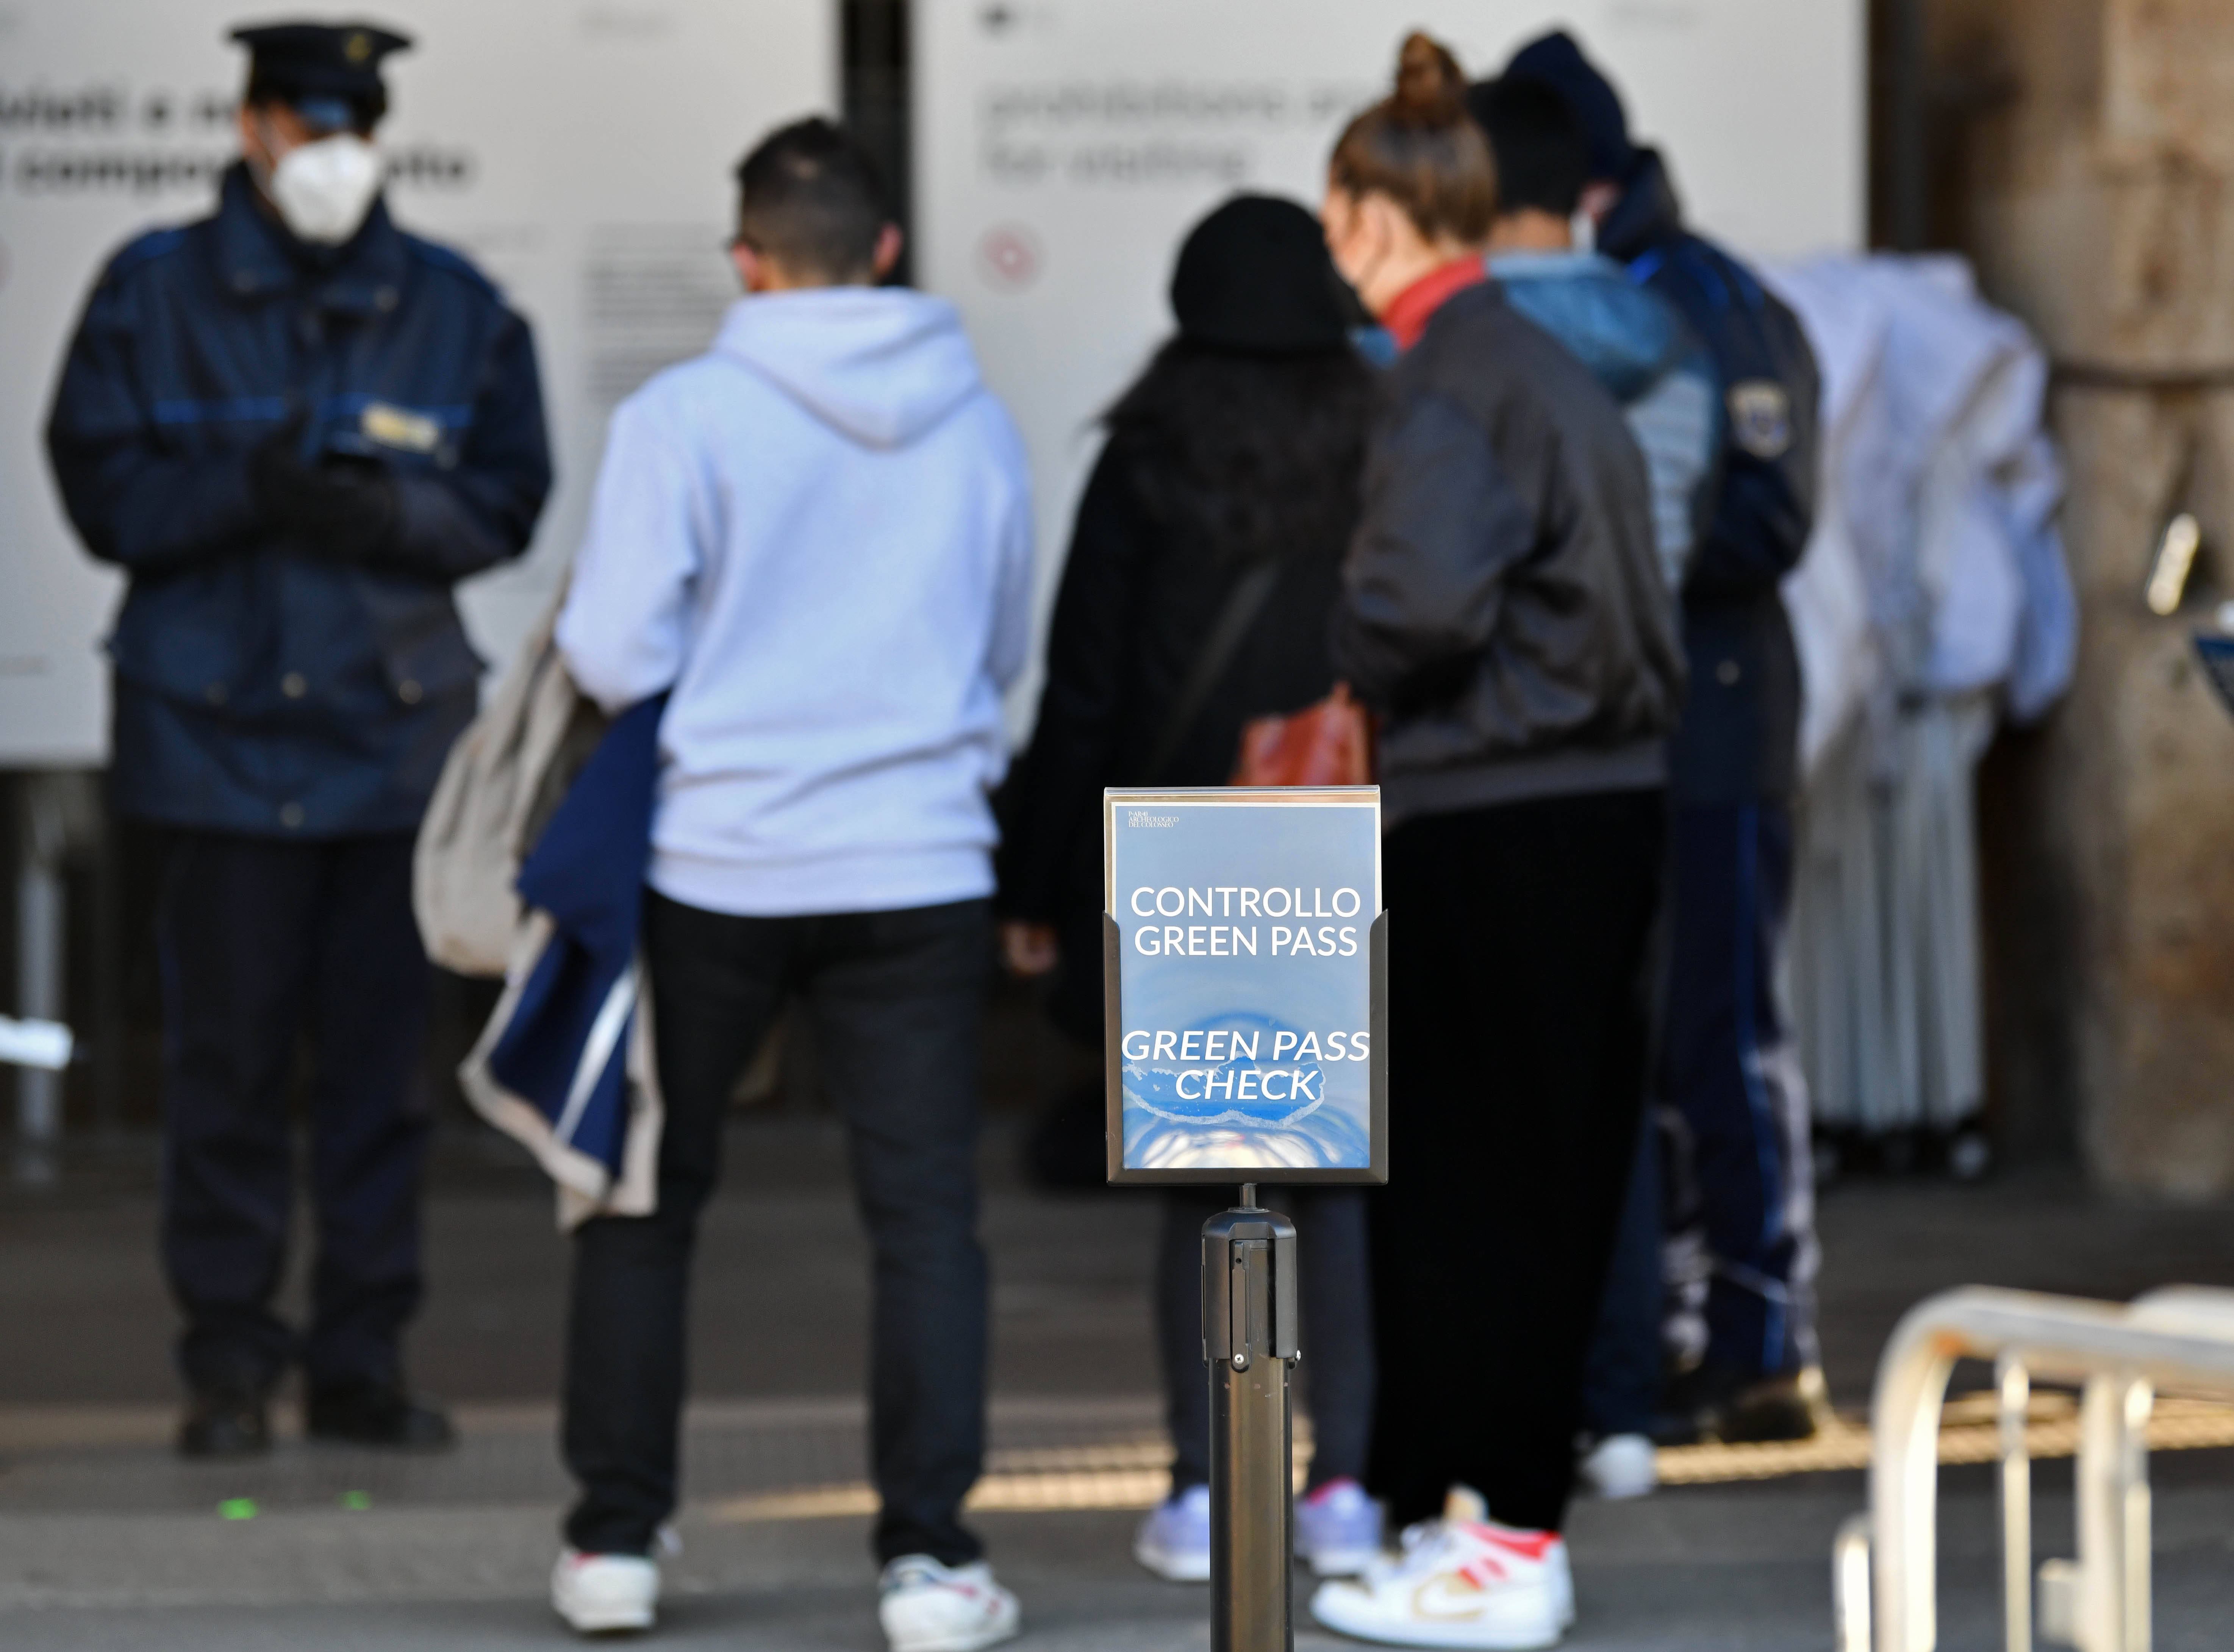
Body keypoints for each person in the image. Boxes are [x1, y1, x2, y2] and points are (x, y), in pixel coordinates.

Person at [546, 117, 1033, 1651]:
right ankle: (929, 1561)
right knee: (923, 1217)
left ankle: (615, 1541)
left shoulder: (683, 414)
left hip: (716, 859)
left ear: (744, 258)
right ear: (887, 247)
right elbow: (1002, 653)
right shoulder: (978, 421)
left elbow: (614, 653)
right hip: (919, 859)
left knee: (641, 1198)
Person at [44, 20, 552, 1460]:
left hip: (391, 751)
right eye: (309, 121)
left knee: (386, 1087)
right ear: (253, 124)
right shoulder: (151, 294)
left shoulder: (452, 306)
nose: (333, 151)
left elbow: (507, 496)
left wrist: (384, 516)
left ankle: (360, 1360)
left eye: (357, 124)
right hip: (211, 750)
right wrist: (244, 489)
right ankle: (224, 1363)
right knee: (225, 1076)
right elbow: (104, 493)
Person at [1302, 34, 1682, 1649]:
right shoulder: (1530, 360)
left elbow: (1415, 606)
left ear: (1365, 214)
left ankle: (1499, 1540)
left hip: (1500, 805)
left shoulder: (1447, 376)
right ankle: (1484, 1521)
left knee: (1479, 1185)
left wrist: (1348, 655)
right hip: (1580, 795)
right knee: (1528, 1171)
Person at [994, 195, 1384, 1583]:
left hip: (1182, 840)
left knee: (1203, 1181)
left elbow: (1086, 689)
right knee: (1333, 1181)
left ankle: (1208, 1483)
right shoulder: (1385, 441)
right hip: (1344, 830)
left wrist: (1040, 877)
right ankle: (1341, 1485)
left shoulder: (1148, 458)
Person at [1504, 30, 1827, 1447]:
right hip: (1606, 730)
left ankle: (1763, 1341)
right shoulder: (1577, 299)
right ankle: (1661, 1336)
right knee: (1611, 1051)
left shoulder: (1702, 303)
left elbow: (1766, 518)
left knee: (1717, 1041)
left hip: (1710, 725)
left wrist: (1590, 545)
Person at [1463, 71, 1720, 1503]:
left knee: (1468, 1113)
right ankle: (1618, 1403)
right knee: (1606, 1096)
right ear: (1588, 193)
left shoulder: (1433, 354)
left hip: (1468, 761)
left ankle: (1503, 1414)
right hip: (1627, 750)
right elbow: (1673, 550)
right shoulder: (1670, 352)